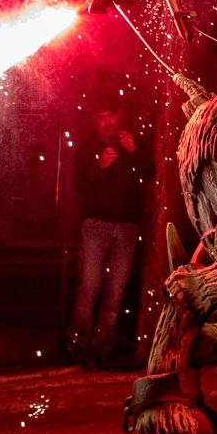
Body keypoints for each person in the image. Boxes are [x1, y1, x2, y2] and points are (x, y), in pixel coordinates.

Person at [68, 104, 148, 365]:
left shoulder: (131, 143)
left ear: (119, 116)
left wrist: (134, 152)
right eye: (102, 116)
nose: (107, 122)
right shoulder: (87, 148)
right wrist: (100, 165)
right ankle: (78, 345)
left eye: (111, 115)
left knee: (115, 292)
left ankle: (102, 349)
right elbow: (79, 184)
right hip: (95, 226)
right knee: (89, 287)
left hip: (126, 227)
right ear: (95, 120)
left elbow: (150, 172)